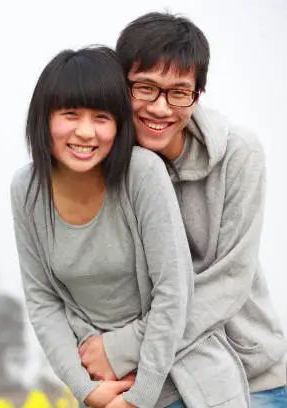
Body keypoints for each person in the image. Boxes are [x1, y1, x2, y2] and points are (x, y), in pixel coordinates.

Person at [10, 46, 248, 408]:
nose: (86, 132)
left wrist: (141, 397)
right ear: (44, 119)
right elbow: (42, 299)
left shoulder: (142, 172)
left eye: (101, 117)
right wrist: (84, 388)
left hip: (187, 387)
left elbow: (174, 289)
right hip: (104, 391)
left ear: (119, 124)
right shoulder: (27, 189)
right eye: (70, 115)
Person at [78, 12, 287, 408]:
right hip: (151, 385)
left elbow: (230, 281)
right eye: (145, 88)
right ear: (120, 87)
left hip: (251, 377)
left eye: (178, 92)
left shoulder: (240, 155)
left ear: (197, 95)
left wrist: (125, 346)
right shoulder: (100, 165)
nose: (161, 108)